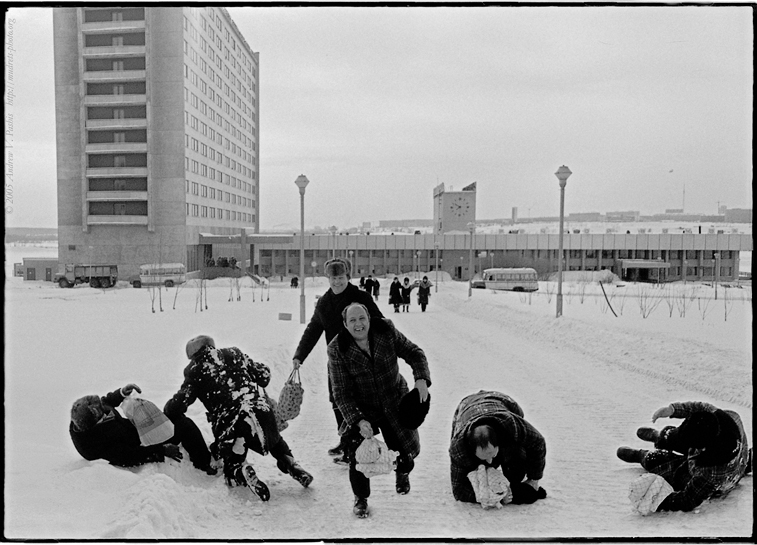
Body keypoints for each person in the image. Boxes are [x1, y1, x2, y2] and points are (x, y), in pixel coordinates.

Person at [164, 335, 313, 501]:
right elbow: (263, 377)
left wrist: (168, 409)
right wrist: (262, 369)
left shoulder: (195, 370)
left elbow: (180, 402)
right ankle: (291, 464)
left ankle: (240, 471)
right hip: (261, 411)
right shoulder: (234, 353)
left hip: (231, 423)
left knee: (233, 456)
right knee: (275, 440)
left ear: (192, 356)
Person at [328, 302, 431, 518]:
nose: (359, 324)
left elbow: (414, 352)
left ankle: (402, 472)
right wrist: (358, 420)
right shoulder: (337, 349)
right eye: (352, 320)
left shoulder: (386, 330)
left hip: (393, 398)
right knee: (359, 456)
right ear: (345, 325)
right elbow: (341, 393)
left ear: (369, 318)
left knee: (405, 453)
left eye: (362, 318)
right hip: (362, 407)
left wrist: (421, 379)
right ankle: (361, 498)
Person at [292, 258, 384, 462]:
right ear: (328, 279)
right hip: (336, 360)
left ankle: (357, 446)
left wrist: (382, 347)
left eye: (341, 278)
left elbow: (378, 321)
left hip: (360, 358)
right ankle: (346, 440)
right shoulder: (324, 303)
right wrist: (300, 355)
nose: (337, 282)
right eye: (333, 278)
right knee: (337, 399)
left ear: (347, 277)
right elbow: (314, 329)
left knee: (357, 400)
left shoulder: (360, 297)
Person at [616, 401, 751, 512]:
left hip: (724, 474)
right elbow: (700, 408)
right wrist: (672, 410)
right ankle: (662, 437)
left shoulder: (710, 473)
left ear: (701, 449)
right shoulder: (727, 417)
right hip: (733, 456)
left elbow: (687, 500)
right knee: (681, 435)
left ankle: (644, 456)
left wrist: (660, 501)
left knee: (670, 468)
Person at [70, 383, 215, 473]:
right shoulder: (94, 445)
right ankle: (204, 464)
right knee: (184, 425)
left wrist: (121, 393)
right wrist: (162, 450)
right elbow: (129, 456)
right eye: (101, 408)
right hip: (141, 442)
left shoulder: (87, 417)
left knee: (176, 419)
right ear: (96, 416)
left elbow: (106, 401)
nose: (104, 407)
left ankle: (202, 457)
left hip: (134, 429)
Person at [449, 391, 547, 506]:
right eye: (484, 457)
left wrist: (534, 479)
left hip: (501, 400)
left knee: (516, 474)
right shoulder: (458, 447)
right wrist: (495, 496)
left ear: (499, 443)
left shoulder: (511, 425)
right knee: (476, 474)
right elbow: (459, 491)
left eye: (492, 454)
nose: (490, 462)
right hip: (466, 405)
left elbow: (538, 443)